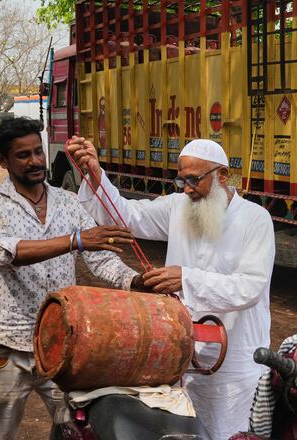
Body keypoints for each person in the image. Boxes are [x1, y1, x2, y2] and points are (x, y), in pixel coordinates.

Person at [68, 136, 275, 440]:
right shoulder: (178, 206)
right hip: (184, 352)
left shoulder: (256, 219)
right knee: (185, 430)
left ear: (221, 175)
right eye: (182, 180)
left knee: (229, 432)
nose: (188, 188)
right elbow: (125, 214)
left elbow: (250, 287)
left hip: (235, 361)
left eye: (195, 179)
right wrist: (96, 174)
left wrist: (186, 279)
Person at [0, 118, 144, 440]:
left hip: (62, 340)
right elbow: (6, 252)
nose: (35, 161)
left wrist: (137, 282)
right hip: (8, 344)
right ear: (3, 161)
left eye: (38, 151)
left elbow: (100, 257)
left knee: (75, 427)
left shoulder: (68, 201)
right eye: (23, 155)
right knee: (1, 433)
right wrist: (75, 240)